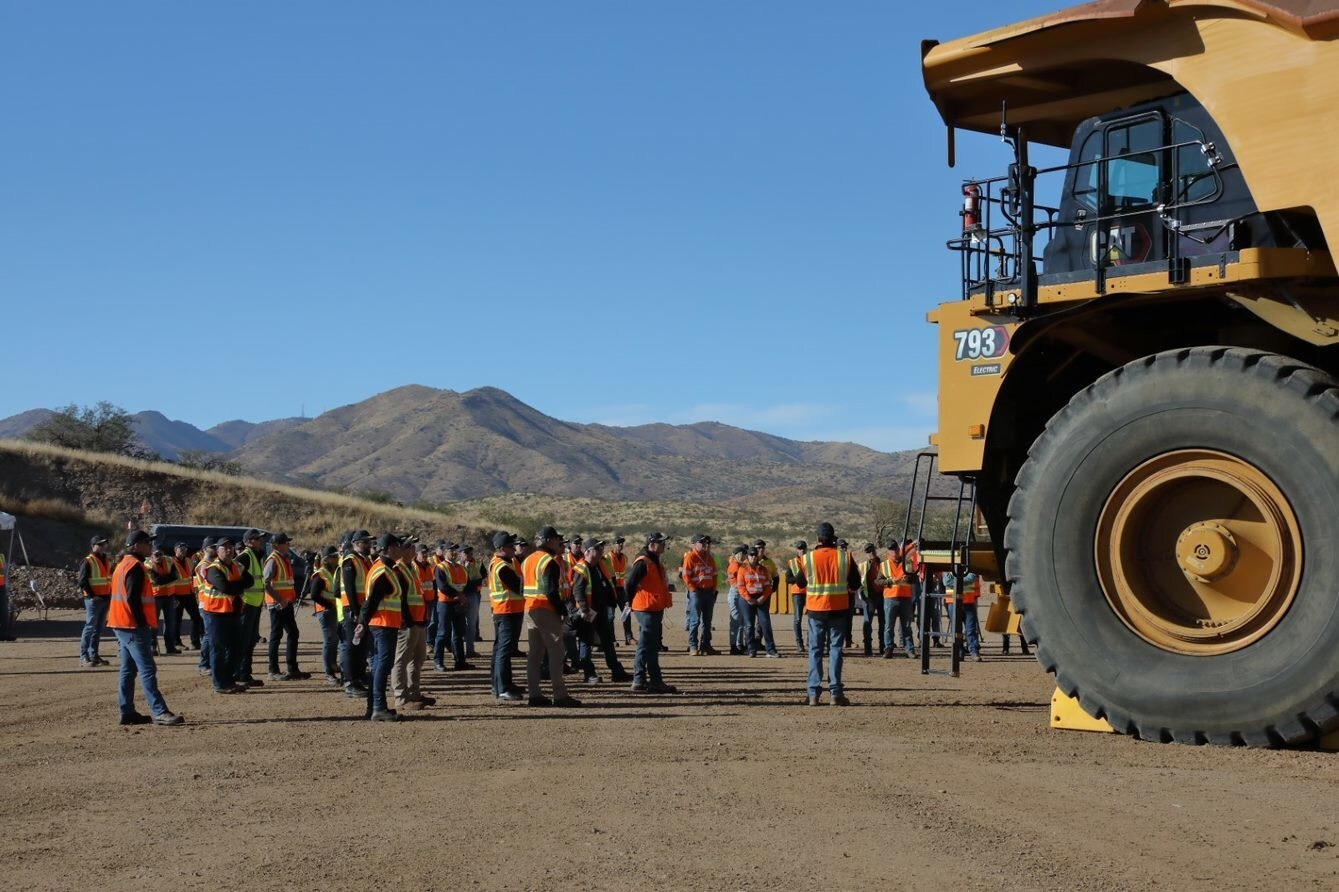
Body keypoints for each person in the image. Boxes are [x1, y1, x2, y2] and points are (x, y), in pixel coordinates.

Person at [107, 530, 184, 726]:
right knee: (147, 669)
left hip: (121, 623)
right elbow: (133, 598)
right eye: (147, 543)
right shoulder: (134, 566)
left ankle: (127, 711)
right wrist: (142, 623)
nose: (150, 546)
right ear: (135, 546)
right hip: (132, 625)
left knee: (128, 670)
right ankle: (159, 711)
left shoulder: (124, 564)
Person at [794, 523, 861, 706]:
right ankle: (835, 694)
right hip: (839, 610)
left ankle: (813, 694)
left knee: (815, 651)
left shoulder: (808, 559)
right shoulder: (845, 557)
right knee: (835, 650)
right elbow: (855, 584)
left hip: (816, 611)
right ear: (833, 538)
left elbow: (800, 583)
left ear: (817, 539)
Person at [520, 527, 581, 707]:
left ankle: (535, 694)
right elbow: (551, 591)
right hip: (546, 611)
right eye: (556, 539)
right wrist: (563, 612)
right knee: (556, 653)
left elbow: (521, 586)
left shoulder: (527, 560)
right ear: (549, 540)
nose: (558, 543)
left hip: (530, 609)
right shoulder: (549, 562)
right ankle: (560, 695)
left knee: (535, 654)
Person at [355, 534, 406, 721]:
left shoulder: (384, 568)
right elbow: (371, 601)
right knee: (382, 666)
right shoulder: (383, 571)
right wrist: (361, 622)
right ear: (390, 548)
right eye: (398, 546)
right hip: (382, 625)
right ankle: (378, 707)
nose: (400, 550)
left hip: (384, 624)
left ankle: (374, 706)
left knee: (379, 666)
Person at [571, 539, 631, 683]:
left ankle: (617, 672)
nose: (601, 550)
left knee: (607, 641)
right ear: (588, 552)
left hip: (601, 609)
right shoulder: (581, 568)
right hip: (589, 611)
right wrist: (585, 610)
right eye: (597, 548)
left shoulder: (600, 565)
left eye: (601, 548)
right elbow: (577, 591)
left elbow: (608, 584)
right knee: (586, 641)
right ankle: (589, 673)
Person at [625, 532, 676, 694]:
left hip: (653, 608)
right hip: (645, 608)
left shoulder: (653, 560)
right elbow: (630, 583)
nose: (664, 546)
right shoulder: (643, 562)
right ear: (652, 544)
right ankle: (640, 680)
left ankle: (651, 681)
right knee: (647, 644)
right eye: (661, 543)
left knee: (650, 644)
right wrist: (629, 602)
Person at [202, 537, 251, 693]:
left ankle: (229, 680)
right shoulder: (213, 569)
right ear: (218, 551)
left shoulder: (237, 565)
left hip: (233, 613)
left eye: (230, 547)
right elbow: (225, 587)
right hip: (215, 614)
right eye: (224, 548)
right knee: (218, 649)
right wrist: (238, 585)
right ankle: (220, 683)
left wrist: (235, 586)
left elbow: (250, 581)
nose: (229, 550)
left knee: (235, 648)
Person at [391, 540, 434, 712]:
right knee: (402, 660)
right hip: (407, 623)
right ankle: (401, 698)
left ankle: (414, 692)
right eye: (409, 547)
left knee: (418, 657)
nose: (413, 550)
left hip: (418, 621)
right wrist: (407, 619)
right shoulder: (399, 569)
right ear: (401, 550)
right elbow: (401, 598)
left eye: (413, 547)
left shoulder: (411, 568)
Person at [264, 532, 309, 681]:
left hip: (286, 603)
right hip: (277, 604)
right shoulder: (273, 560)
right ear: (276, 545)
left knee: (293, 633)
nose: (288, 545)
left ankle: (292, 668)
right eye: (286, 543)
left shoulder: (284, 559)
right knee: (276, 636)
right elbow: (266, 584)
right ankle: (273, 670)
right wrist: (279, 599)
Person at [487, 531, 526, 702]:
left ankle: (501, 684)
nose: (514, 549)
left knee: (501, 650)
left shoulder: (505, 562)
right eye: (511, 546)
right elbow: (519, 586)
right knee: (504, 651)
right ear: (502, 548)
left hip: (507, 611)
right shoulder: (502, 566)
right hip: (507, 611)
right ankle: (502, 688)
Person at [340, 530, 375, 698]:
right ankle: (349, 681)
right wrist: (355, 611)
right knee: (351, 646)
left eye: (369, 542)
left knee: (362, 646)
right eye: (365, 542)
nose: (369, 545)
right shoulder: (350, 560)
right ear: (355, 543)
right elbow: (349, 588)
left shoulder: (365, 560)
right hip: (353, 610)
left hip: (363, 610)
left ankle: (360, 677)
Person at [234, 528, 269, 688]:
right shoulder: (244, 557)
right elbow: (235, 579)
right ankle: (240, 673)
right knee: (243, 641)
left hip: (254, 603)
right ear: (248, 542)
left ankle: (245, 673)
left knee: (250, 642)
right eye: (257, 539)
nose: (260, 541)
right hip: (247, 604)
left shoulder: (256, 556)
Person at [306, 546, 343, 684]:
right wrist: (329, 605)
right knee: (329, 641)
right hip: (326, 612)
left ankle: (332, 666)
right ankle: (329, 672)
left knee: (334, 641)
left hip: (332, 611)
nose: (337, 559)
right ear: (328, 559)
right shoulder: (321, 574)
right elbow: (314, 594)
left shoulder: (332, 572)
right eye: (334, 557)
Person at [433, 543, 472, 671]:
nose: (454, 553)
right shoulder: (440, 567)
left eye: (455, 550)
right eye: (451, 550)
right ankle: (438, 662)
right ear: (444, 553)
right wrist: (458, 595)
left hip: (458, 604)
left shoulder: (461, 568)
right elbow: (442, 587)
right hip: (445, 604)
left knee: (458, 634)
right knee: (443, 633)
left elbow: (466, 584)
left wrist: (463, 597)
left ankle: (460, 661)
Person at [736, 547, 780, 658]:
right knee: (749, 625)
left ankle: (770, 650)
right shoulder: (743, 569)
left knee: (765, 624)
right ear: (747, 556)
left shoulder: (763, 569)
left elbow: (768, 586)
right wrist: (748, 598)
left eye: (755, 555)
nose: (753, 557)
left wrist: (763, 598)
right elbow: (740, 586)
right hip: (747, 599)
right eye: (751, 555)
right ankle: (751, 649)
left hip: (761, 598)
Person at [78, 535, 114, 667]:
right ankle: (84, 656)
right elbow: (82, 582)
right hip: (93, 600)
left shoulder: (106, 560)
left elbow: (108, 579)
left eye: (104, 544)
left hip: (105, 598)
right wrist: (93, 596)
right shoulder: (88, 561)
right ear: (93, 546)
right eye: (100, 544)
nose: (103, 546)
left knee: (98, 628)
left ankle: (94, 655)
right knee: (90, 627)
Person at [681, 534, 719, 656]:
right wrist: (693, 589)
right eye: (701, 543)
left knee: (707, 621)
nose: (704, 545)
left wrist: (713, 589)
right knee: (695, 620)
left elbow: (715, 575)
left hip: (709, 592)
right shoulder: (690, 557)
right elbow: (685, 576)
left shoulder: (709, 557)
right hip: (697, 592)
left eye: (705, 543)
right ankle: (693, 645)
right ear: (695, 544)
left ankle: (706, 645)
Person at [880, 541, 917, 659]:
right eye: (891, 550)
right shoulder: (884, 565)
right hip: (890, 599)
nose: (894, 552)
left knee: (906, 626)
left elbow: (914, 580)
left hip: (905, 598)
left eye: (895, 549)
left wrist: (909, 577)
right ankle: (888, 649)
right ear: (888, 552)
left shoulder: (907, 563)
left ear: (898, 549)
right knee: (889, 626)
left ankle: (909, 649)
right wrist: (890, 581)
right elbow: (878, 581)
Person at [169, 541, 201, 653]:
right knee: (176, 620)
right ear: (175, 550)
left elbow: (192, 576)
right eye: (180, 548)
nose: (183, 550)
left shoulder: (188, 561)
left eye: (185, 548)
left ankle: (195, 642)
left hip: (189, 593)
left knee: (196, 617)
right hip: (176, 595)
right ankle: (176, 643)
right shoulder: (171, 562)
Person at [944, 570, 984, 661]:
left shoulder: (969, 566)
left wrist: (954, 580)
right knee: (956, 631)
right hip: (953, 603)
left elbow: (971, 579)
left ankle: (974, 652)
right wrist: (963, 580)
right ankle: (959, 652)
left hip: (968, 602)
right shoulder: (949, 565)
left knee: (971, 630)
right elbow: (946, 581)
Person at [193, 538, 217, 676]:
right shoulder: (203, 565)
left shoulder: (212, 563)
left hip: (212, 603)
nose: (215, 549)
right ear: (205, 549)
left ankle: (209, 663)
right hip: (205, 604)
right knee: (209, 635)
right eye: (212, 547)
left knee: (212, 635)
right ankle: (204, 665)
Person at [603, 536, 633, 645]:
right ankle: (612, 639)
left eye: (622, 543)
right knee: (610, 616)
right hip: (611, 590)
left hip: (621, 589)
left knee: (627, 612)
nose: (621, 545)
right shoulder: (607, 557)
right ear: (613, 544)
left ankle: (629, 637)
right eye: (618, 543)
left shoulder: (625, 557)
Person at [858, 543, 885, 657]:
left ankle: (883, 648)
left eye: (872, 550)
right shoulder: (862, 566)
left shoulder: (883, 564)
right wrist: (862, 595)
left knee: (883, 623)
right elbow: (859, 581)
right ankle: (868, 649)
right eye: (868, 551)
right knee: (867, 623)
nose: (871, 552)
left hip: (882, 596)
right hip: (869, 597)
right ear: (865, 553)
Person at [784, 541, 809, 653]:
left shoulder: (810, 561)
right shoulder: (792, 562)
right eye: (799, 548)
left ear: (806, 549)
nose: (801, 550)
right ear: (796, 550)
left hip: (810, 592)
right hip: (798, 593)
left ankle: (810, 641)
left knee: (812, 618)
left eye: (803, 548)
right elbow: (787, 579)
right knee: (798, 619)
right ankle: (800, 643)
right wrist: (799, 578)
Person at [461, 544, 484, 656]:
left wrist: (468, 585)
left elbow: (479, 580)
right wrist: (469, 584)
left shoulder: (473, 565)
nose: (468, 555)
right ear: (461, 554)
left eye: (470, 553)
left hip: (472, 596)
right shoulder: (456, 566)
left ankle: (470, 650)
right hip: (459, 598)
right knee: (458, 626)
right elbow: (458, 584)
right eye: (466, 553)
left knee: (472, 624)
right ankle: (458, 652)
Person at [726, 544, 747, 654]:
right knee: (736, 620)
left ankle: (738, 644)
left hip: (739, 593)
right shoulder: (735, 565)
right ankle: (734, 645)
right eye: (744, 554)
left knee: (740, 621)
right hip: (736, 592)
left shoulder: (738, 565)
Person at [0, 544, 11, 641]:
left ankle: (4, 634)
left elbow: (4, 571)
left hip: (1, 586)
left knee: (4, 611)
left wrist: (6, 585)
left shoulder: (1, 556)